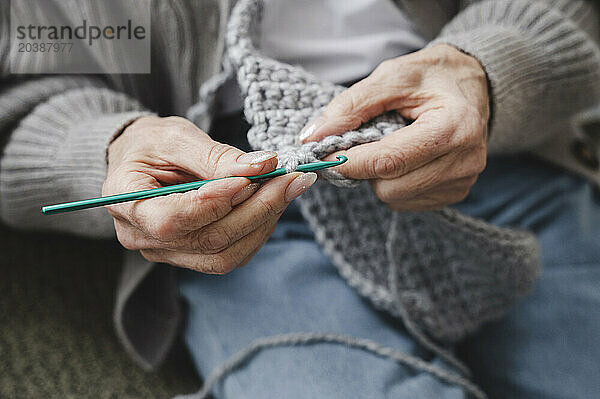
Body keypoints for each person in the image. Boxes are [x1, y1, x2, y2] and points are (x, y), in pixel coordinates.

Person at [1, 0, 599, 398]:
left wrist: (486, 69)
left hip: (483, 140)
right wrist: (107, 147)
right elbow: (22, 77)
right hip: (234, 218)